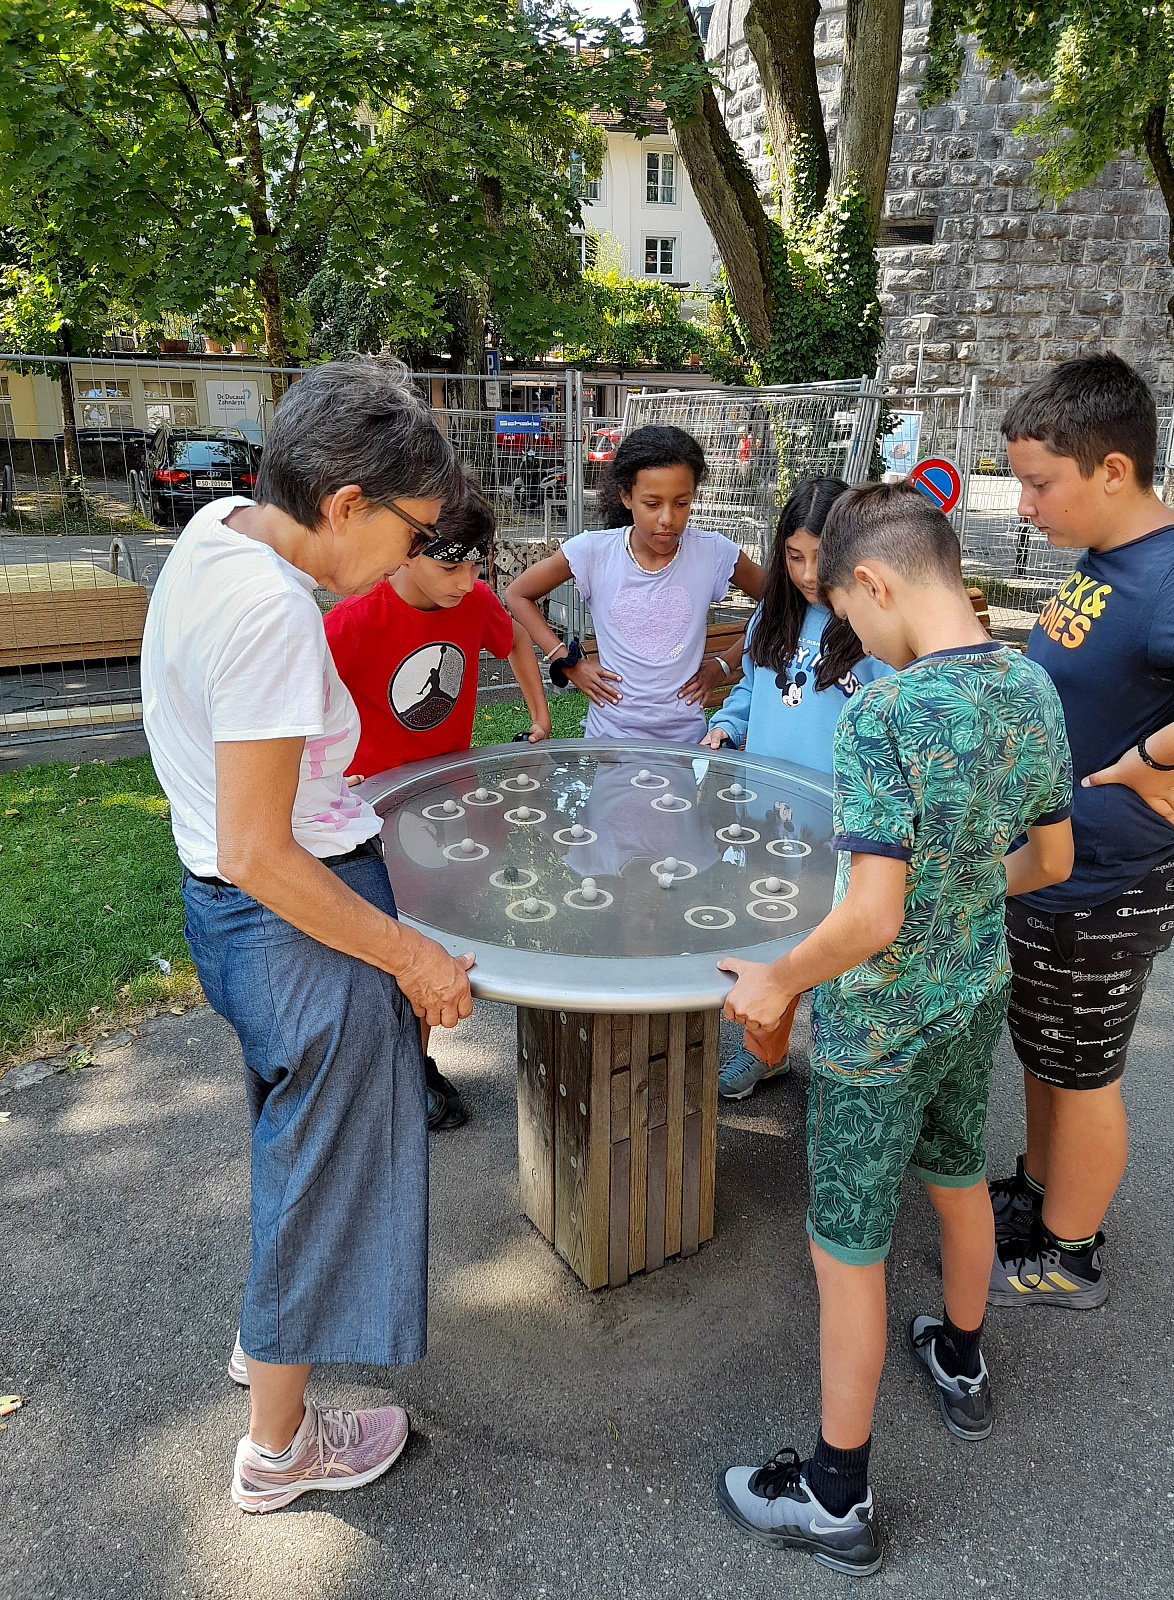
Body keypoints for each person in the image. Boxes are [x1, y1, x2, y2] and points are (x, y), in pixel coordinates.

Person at [713, 483, 1074, 1576]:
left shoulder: (885, 712)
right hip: (976, 991)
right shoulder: (1032, 685)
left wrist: (778, 978)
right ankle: (961, 1359)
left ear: (872, 583)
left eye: (846, 615)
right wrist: (958, 894)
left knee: (848, 1249)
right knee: (959, 1177)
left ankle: (836, 1493)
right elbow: (1051, 859)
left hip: (877, 1027)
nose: (851, 641)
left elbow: (870, 917)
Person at [141, 358, 475, 1514]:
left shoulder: (217, 532)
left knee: (298, 1150)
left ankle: (268, 1339)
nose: (414, 553)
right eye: (412, 531)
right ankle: (279, 1448)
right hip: (296, 926)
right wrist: (412, 954)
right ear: (344, 504)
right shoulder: (274, 613)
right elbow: (261, 849)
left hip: (238, 923)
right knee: (323, 1170)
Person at [990, 354, 1174, 1308]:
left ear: (1113, 470)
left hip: (1108, 881)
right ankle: (1038, 1193)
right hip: (1057, 868)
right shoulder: (1113, 558)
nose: (1025, 506)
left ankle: (1069, 1258)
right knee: (1048, 1053)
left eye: (1039, 484)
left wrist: (1155, 756)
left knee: (1082, 1074)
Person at [324, 478, 552, 1131]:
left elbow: (512, 638)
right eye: (450, 566)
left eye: (476, 566)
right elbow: (302, 700)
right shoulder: (352, 622)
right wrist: (330, 775)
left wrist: (539, 718)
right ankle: (398, 1074)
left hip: (450, 805)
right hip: (374, 817)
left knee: (436, 936)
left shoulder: (473, 601)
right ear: (406, 550)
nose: (466, 581)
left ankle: (413, 1064)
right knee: (396, 946)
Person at [699, 477, 892, 1101]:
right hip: (763, 812)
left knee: (832, 936)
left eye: (821, 557)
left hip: (839, 819)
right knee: (768, 925)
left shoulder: (871, 621)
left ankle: (851, 1063)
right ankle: (766, 1049)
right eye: (794, 556)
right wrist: (728, 727)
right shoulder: (773, 612)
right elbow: (749, 690)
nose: (809, 574)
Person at [503, 425, 763, 739]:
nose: (667, 518)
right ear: (626, 496)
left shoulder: (713, 553)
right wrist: (566, 661)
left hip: (684, 744)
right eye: (652, 504)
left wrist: (724, 663)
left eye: (681, 503)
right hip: (609, 741)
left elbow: (782, 602)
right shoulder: (593, 552)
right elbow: (517, 594)